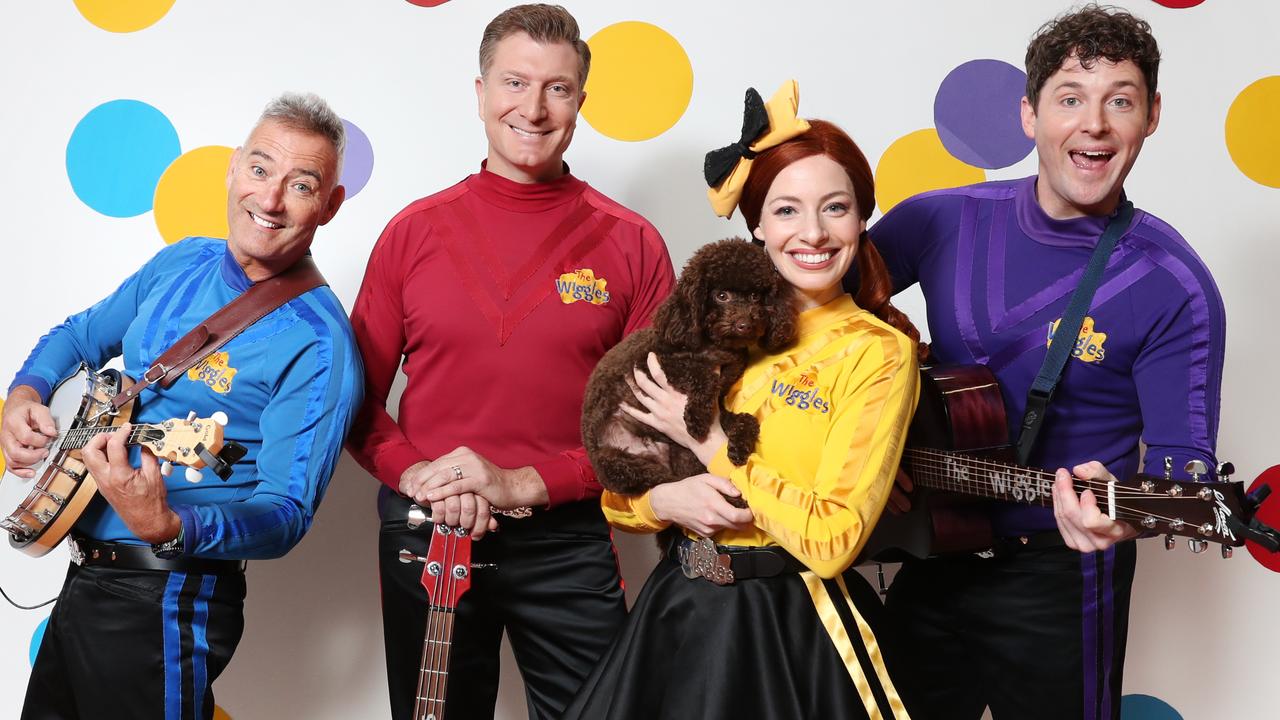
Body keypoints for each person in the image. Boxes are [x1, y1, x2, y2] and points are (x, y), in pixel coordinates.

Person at [859, 6, 1225, 719]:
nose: (1094, 124)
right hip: (932, 547)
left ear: (1150, 117)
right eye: (1069, 98)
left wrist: (1132, 514)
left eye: (1120, 100)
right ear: (1029, 115)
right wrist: (862, 449)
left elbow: (1187, 471)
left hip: (1062, 577)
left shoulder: (1173, 285)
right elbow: (811, 313)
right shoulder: (938, 219)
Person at [343, 4, 675, 719]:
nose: (533, 107)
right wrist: (419, 476)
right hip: (430, 531)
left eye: (557, 88)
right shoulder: (412, 233)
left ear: (581, 102)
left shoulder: (633, 244)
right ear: (481, 91)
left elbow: (649, 433)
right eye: (515, 82)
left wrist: (525, 481)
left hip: (568, 539)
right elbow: (354, 401)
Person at [564, 82, 923, 719]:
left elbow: (835, 541)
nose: (811, 232)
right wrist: (660, 500)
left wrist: (706, 442)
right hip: (680, 604)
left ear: (862, 216)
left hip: (793, 628)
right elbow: (619, 491)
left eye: (835, 208)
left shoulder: (876, 352)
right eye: (786, 210)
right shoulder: (714, 327)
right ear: (756, 224)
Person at [2, 92, 363, 720]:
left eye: (300, 185)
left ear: (329, 206)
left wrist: (172, 527)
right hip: (83, 575)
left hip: (168, 595)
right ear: (232, 169)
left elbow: (285, 513)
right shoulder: (182, 261)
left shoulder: (319, 343)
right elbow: (81, 335)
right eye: (258, 169)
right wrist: (25, 394)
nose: (270, 199)